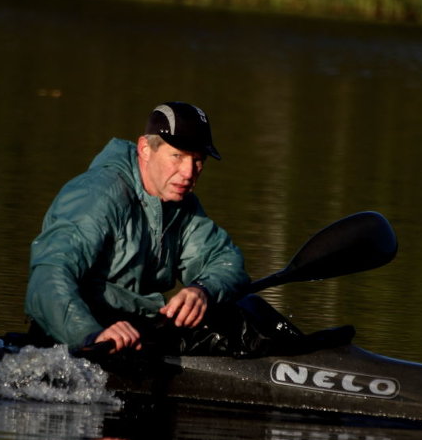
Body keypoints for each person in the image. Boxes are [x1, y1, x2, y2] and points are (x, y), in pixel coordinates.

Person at [25, 102, 252, 354]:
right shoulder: (97, 195)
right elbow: (47, 276)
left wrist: (202, 290)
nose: (188, 172)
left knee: (240, 315)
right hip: (79, 339)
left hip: (138, 332)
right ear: (145, 149)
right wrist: (90, 335)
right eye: (177, 156)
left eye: (198, 160)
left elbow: (225, 260)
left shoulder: (181, 204)